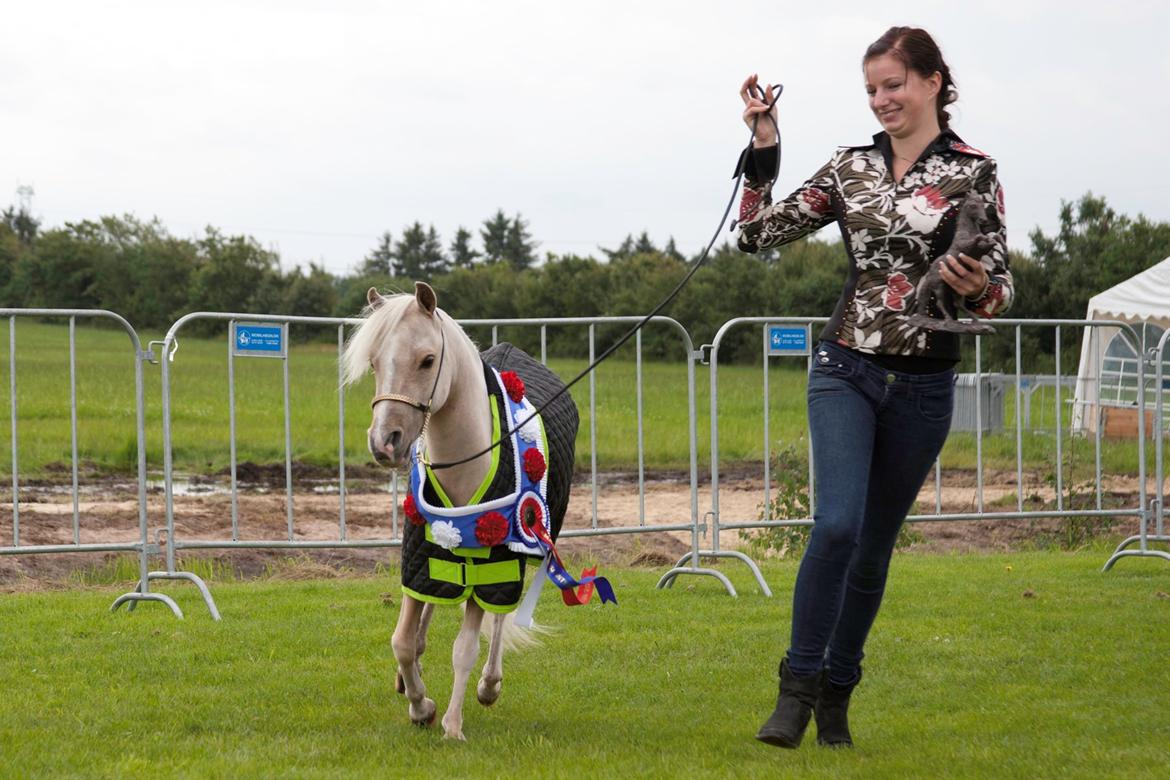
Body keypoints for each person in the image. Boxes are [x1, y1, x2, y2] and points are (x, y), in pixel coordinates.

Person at [735, 26, 1014, 749]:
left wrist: (979, 286)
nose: (882, 100)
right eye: (871, 89)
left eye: (893, 85)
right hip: (845, 366)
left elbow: (1000, 287)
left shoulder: (974, 172)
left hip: (924, 386)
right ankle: (794, 691)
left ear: (931, 83)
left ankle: (838, 692)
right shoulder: (849, 167)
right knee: (835, 527)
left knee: (873, 550)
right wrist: (764, 149)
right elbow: (757, 234)